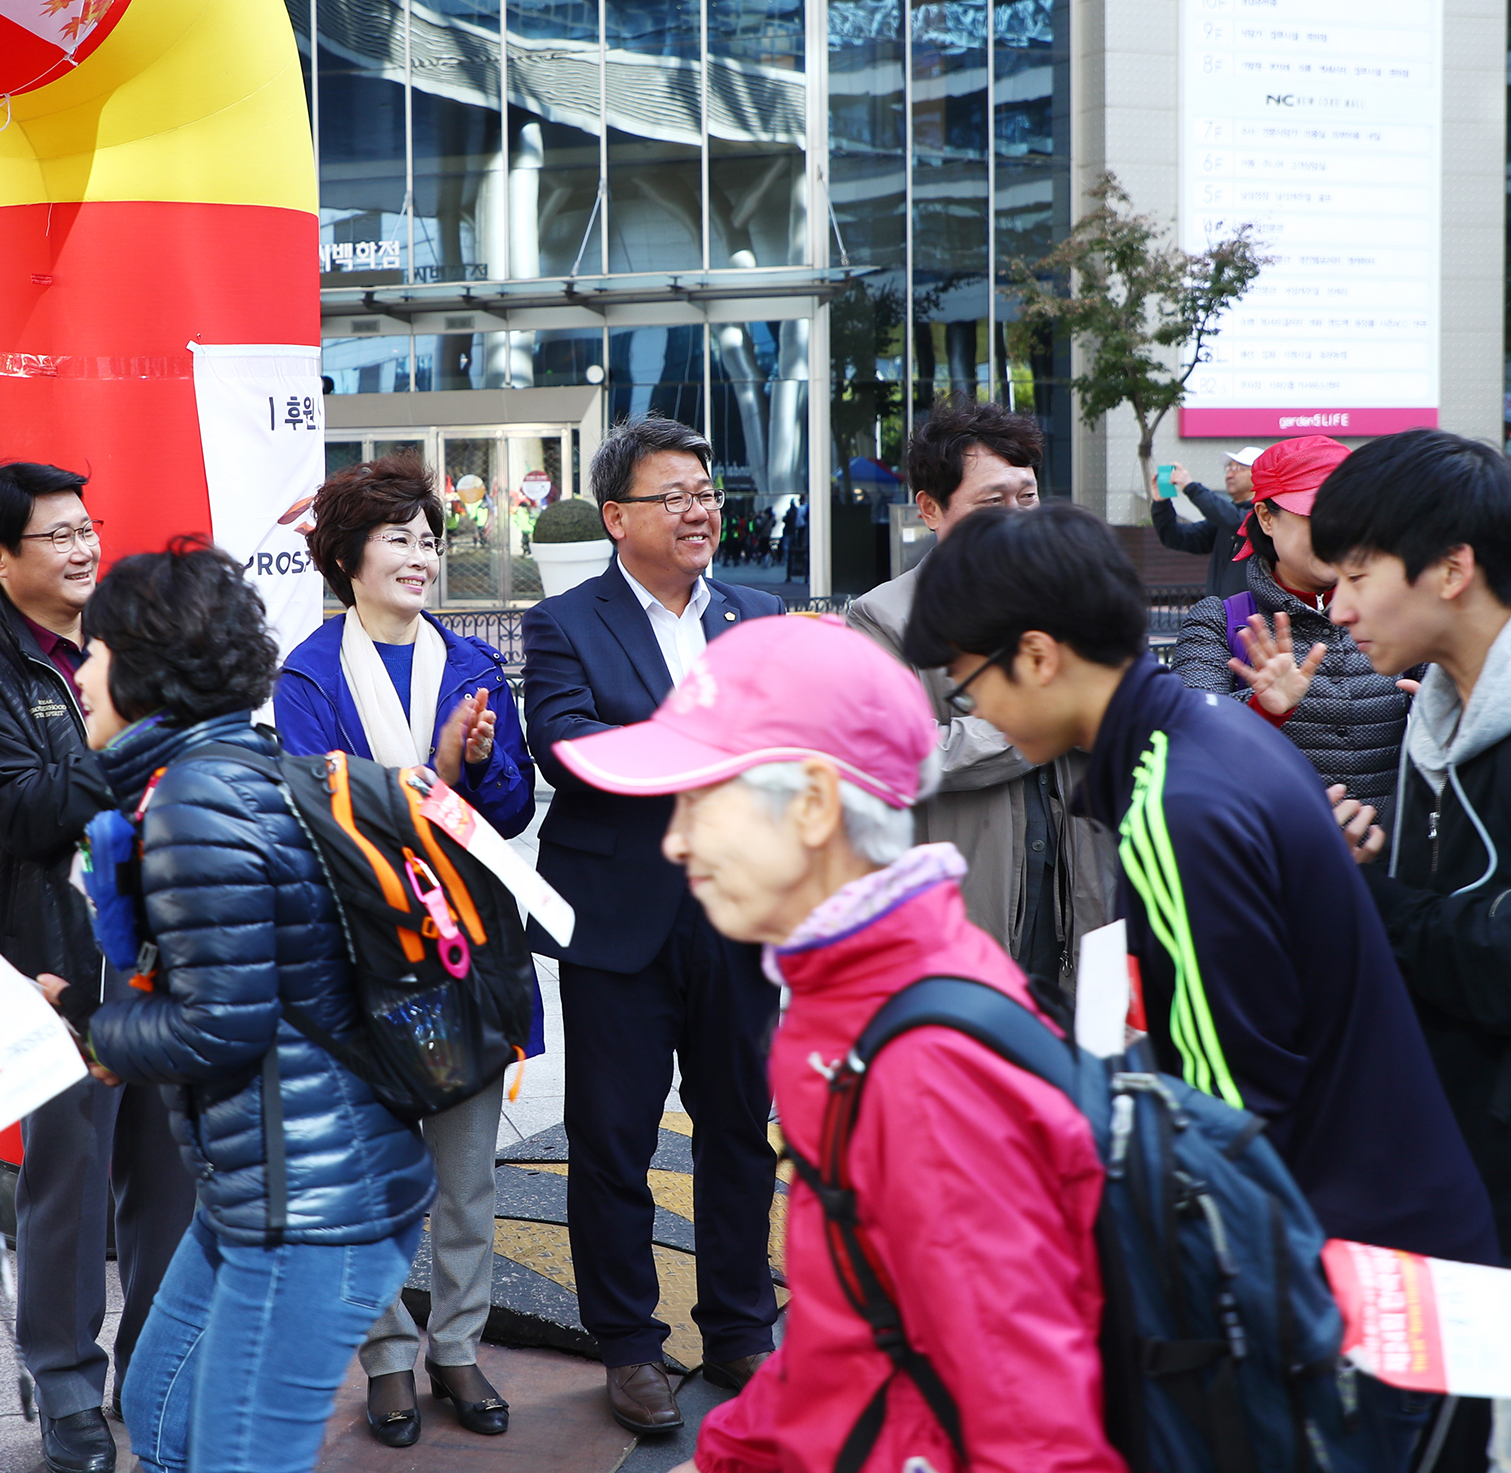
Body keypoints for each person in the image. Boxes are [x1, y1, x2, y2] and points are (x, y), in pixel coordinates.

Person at [901, 500, 1499, 1465]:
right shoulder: (1214, 731)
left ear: (1041, 655)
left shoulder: (1174, 807)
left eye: (970, 687)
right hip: (1396, 1252)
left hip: (1346, 1302)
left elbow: (1225, 1130)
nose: (981, 715)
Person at [554, 615, 1124, 1473]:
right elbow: (844, 1329)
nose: (674, 841)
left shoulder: (924, 1062)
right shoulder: (842, 1004)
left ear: (817, 804)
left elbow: (1030, 1426)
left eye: (702, 801)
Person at [75, 542, 438, 1473]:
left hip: (314, 1206)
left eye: (96, 649)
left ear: (145, 666)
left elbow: (218, 1025)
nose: (82, 674)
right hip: (263, 1185)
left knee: (232, 1456)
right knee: (158, 1415)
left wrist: (86, 1032)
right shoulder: (234, 767)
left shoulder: (195, 800)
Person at [0, 461, 194, 1473]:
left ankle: (155, 1365)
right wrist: (131, 739)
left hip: (162, 955)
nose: (85, 548)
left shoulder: (128, 644)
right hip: (52, 968)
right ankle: (67, 1384)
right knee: (69, 1185)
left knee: (171, 1179)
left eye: (89, 528)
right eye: (59, 535)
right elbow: (18, 816)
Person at [522, 415, 783, 1434]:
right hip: (618, 916)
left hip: (733, 911)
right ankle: (627, 1344)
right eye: (674, 495)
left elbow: (783, 740)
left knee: (736, 1129)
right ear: (618, 514)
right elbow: (567, 744)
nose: (699, 511)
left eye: (708, 492)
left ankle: (739, 1327)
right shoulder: (564, 622)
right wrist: (705, 743)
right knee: (611, 1139)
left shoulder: (755, 616)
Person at [273, 455, 539, 1447]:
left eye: (431, 540)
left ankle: (458, 1347)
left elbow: (507, 809)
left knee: (468, 1176)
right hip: (356, 960)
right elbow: (313, 813)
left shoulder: (466, 664)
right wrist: (430, 776)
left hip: (463, 952)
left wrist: (478, 764)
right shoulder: (305, 673)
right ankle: (387, 1357)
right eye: (400, 538)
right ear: (345, 558)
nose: (423, 556)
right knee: (372, 1176)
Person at [1312, 429, 1511, 1468]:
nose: (1337, 610)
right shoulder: (1437, 716)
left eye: (1354, 576)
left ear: (1451, 568)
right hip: (1453, 1167)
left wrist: (1376, 900)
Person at [849, 399, 1114, 980]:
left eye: (1027, 497)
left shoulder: (1079, 597)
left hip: (1083, 908)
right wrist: (1050, 718)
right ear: (930, 509)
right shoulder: (881, 618)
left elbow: (1128, 724)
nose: (1018, 518)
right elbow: (906, 753)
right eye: (992, 503)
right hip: (965, 916)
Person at [1172, 436, 1414, 820]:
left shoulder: (1403, 616)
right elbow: (1184, 738)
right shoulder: (1218, 622)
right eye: (1317, 517)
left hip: (1397, 867)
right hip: (1274, 869)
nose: (1336, 534)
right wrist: (1259, 709)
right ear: (1266, 518)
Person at [1150, 444, 1260, 598]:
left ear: (1261, 476)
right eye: (1228, 468)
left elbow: (1236, 521)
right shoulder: (1225, 520)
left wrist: (1191, 487)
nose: (1229, 475)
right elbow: (1175, 537)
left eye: (1239, 468)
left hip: (1254, 617)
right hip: (1221, 616)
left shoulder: (1267, 516)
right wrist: (1162, 504)